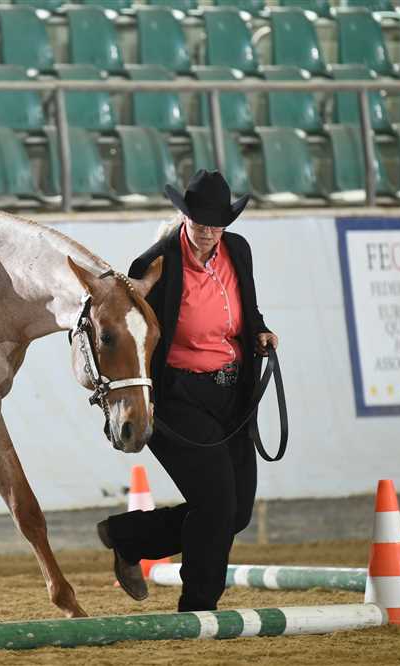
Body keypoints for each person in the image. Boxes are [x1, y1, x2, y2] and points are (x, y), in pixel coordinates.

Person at [97, 169, 278, 612]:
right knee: (216, 505)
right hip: (179, 395)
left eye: (217, 225)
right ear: (184, 217)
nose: (208, 233)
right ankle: (199, 607)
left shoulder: (238, 250)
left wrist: (260, 331)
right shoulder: (155, 263)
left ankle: (130, 537)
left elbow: (247, 308)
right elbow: (132, 330)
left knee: (235, 514)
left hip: (233, 394)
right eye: (200, 224)